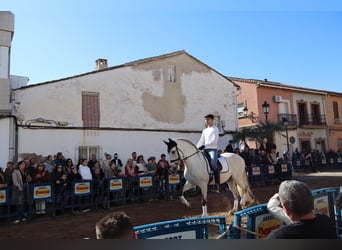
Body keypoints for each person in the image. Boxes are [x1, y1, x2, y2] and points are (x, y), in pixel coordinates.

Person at [266, 180, 337, 239]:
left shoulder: (277, 237)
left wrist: (278, 196)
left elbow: (272, 207)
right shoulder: (326, 221)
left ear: (286, 208)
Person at [196, 114, 220, 193]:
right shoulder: (204, 130)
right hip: (204, 149)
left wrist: (204, 145)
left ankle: (217, 184)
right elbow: (201, 140)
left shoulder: (215, 129)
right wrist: (196, 148)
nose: (206, 121)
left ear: (212, 120)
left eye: (208, 119)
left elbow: (214, 140)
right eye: (205, 119)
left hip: (212, 150)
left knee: (213, 164)